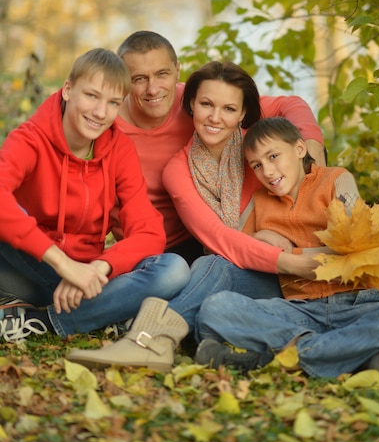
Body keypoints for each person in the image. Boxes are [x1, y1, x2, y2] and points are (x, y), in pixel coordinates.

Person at [67, 63, 324, 371]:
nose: (215, 118)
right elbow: (218, 238)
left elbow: (293, 106)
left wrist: (311, 141)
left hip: (313, 267)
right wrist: (285, 258)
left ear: (243, 114)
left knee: (210, 270)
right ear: (190, 105)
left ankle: (149, 337)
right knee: (211, 264)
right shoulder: (178, 170)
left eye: (229, 108)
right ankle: (152, 339)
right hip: (268, 272)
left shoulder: (260, 152)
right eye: (206, 105)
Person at [194, 117, 379, 385]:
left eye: (274, 156)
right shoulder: (260, 201)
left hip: (359, 303)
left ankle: (268, 361)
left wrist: (291, 257)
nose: (267, 171)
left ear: (300, 149)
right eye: (257, 165)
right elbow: (229, 249)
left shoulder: (337, 179)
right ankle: (355, 357)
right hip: (300, 311)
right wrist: (260, 235)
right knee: (215, 309)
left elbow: (353, 248)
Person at [0, 48, 190, 342]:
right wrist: (64, 266)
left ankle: (40, 321)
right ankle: (101, 314)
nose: (101, 113)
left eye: (113, 102)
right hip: (32, 268)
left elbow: (149, 231)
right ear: (67, 90)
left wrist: (96, 268)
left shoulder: (119, 149)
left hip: (89, 281)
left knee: (173, 269)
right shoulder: (30, 139)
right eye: (91, 96)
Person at [113, 31, 325, 264]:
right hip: (153, 247)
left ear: (177, 70)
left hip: (206, 237)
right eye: (139, 78)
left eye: (162, 74)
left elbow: (290, 105)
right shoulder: (107, 124)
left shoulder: (204, 98)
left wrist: (313, 158)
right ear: (123, 80)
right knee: (192, 269)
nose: (153, 89)